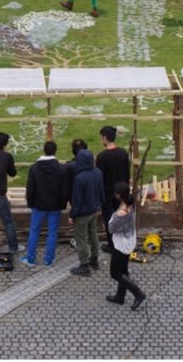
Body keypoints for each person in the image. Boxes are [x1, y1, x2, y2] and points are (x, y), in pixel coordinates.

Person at [20, 141, 65, 267]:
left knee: (34, 230)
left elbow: (30, 188)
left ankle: (31, 258)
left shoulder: (34, 168)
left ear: (43, 150)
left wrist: (30, 203)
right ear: (55, 151)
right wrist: (62, 204)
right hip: (55, 205)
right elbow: (64, 188)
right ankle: (49, 260)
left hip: (38, 205)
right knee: (53, 232)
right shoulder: (61, 168)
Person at [105, 181, 147, 310]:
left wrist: (113, 218)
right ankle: (120, 296)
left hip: (121, 245)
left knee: (115, 273)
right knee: (123, 270)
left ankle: (138, 293)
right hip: (129, 241)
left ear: (118, 195)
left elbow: (111, 229)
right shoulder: (131, 204)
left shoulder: (120, 214)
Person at [68, 148, 104, 276]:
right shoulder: (98, 172)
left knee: (81, 239)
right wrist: (100, 205)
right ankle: (94, 259)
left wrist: (72, 215)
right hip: (94, 210)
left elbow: (76, 200)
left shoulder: (79, 178)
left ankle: (84, 265)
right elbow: (101, 191)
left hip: (82, 214)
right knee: (93, 235)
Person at [95, 125, 130, 253]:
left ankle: (112, 245)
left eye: (101, 137)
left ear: (105, 138)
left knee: (110, 221)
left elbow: (99, 178)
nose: (100, 140)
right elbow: (127, 174)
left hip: (107, 194)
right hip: (121, 193)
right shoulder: (123, 153)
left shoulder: (102, 157)